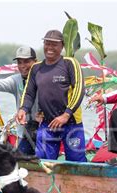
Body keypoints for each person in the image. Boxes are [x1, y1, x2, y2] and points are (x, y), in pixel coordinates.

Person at [16, 30, 86, 162]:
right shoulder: (36, 68)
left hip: (71, 123)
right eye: (47, 43)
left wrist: (66, 115)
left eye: (54, 44)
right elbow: (29, 93)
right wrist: (23, 109)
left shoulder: (70, 63)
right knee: (43, 161)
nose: (50, 48)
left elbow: (79, 89)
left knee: (76, 160)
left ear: (62, 46)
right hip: (48, 124)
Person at [0, 46, 38, 155]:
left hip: (43, 131)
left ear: (35, 62)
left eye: (27, 62)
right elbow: (3, 83)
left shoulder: (43, 78)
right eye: (20, 62)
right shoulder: (16, 80)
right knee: (21, 161)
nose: (23, 66)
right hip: (24, 133)